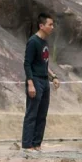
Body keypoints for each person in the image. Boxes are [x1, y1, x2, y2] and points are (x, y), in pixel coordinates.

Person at [22, 12, 60, 151]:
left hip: (45, 81)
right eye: (50, 24)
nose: (52, 27)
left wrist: (53, 76)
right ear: (41, 26)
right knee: (32, 113)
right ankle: (27, 145)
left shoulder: (44, 42)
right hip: (35, 80)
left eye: (52, 24)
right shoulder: (33, 41)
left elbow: (44, 63)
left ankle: (37, 143)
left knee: (42, 114)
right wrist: (30, 83)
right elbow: (27, 64)